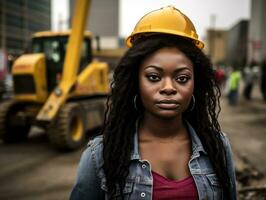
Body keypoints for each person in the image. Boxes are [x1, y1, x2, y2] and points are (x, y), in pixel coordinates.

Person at [70, 6, 236, 200]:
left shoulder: (218, 147)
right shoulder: (99, 156)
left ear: (195, 85)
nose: (168, 87)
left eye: (182, 78)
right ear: (136, 82)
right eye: (154, 77)